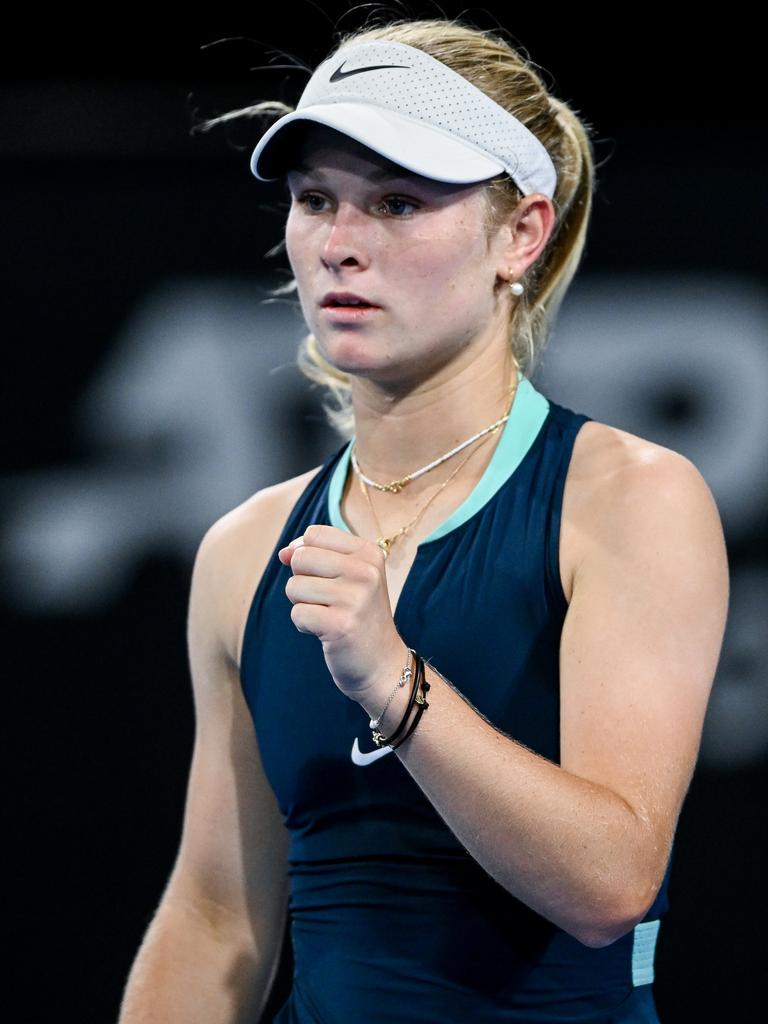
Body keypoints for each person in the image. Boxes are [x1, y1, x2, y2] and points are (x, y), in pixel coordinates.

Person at [118, 16, 730, 1024]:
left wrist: (392, 684)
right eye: (317, 200)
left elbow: (611, 886)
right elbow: (220, 920)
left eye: (399, 202)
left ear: (520, 235)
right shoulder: (242, 552)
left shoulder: (632, 498)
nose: (342, 245)